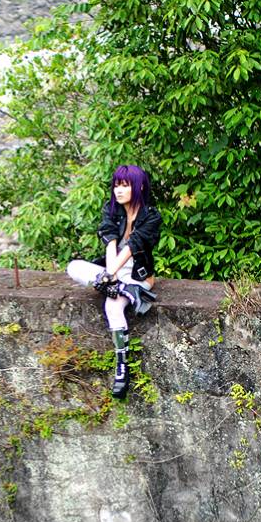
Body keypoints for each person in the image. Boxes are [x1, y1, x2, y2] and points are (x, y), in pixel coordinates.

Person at [66, 165, 160, 400]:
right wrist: (109, 276)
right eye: (116, 185)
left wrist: (111, 275)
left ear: (138, 186)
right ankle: (122, 290)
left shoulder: (151, 216)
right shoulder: (112, 210)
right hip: (114, 273)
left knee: (112, 305)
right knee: (73, 267)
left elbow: (132, 247)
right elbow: (111, 241)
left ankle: (122, 367)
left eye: (125, 185)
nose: (119, 190)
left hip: (137, 276)